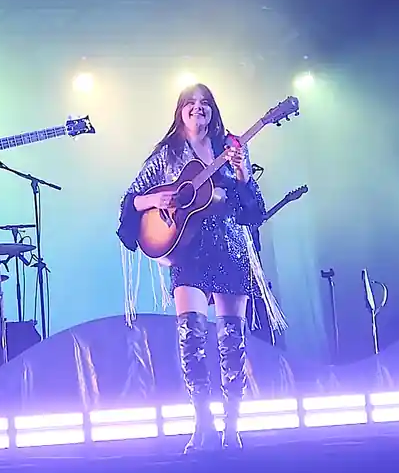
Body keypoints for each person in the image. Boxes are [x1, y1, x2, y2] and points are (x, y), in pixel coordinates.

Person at [117, 83, 285, 453]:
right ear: (179, 112)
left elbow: (253, 210)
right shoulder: (167, 153)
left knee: (231, 341)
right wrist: (154, 198)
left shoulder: (231, 149)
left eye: (204, 103)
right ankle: (202, 422)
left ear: (213, 110)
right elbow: (130, 200)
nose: (197, 109)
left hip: (228, 246)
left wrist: (242, 174)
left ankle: (233, 425)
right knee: (191, 337)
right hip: (187, 252)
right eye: (190, 104)